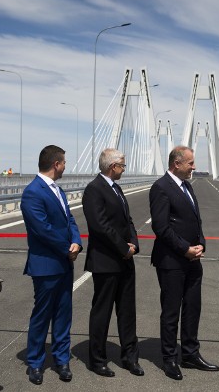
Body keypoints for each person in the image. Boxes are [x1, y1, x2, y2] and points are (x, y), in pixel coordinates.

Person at [149, 145, 219, 381]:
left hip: (192, 260)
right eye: (190, 163)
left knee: (192, 308)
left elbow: (195, 222)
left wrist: (200, 244)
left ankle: (190, 354)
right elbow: (161, 227)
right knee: (171, 312)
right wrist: (184, 249)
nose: (194, 167)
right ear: (176, 163)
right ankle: (169, 358)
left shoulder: (187, 186)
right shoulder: (161, 187)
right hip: (171, 261)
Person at [21, 145, 82, 385]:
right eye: (64, 162)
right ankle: (35, 363)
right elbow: (42, 229)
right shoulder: (33, 192)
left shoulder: (58, 191)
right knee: (42, 315)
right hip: (46, 264)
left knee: (63, 314)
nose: (66, 166)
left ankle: (61, 359)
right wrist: (67, 248)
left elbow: (70, 219)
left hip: (65, 263)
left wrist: (76, 241)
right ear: (56, 164)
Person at [82, 148, 143, 377]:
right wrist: (122, 248)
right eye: (122, 165)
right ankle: (97, 360)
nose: (124, 169)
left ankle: (130, 358)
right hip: (106, 261)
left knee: (128, 312)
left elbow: (127, 220)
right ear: (112, 166)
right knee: (102, 312)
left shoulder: (116, 189)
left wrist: (134, 244)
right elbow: (100, 226)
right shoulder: (94, 190)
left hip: (125, 260)